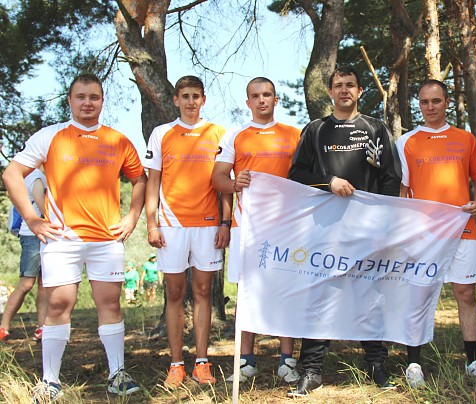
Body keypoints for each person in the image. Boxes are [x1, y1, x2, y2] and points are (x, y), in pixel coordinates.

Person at [2, 73, 146, 402]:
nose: (87, 103)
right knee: (58, 305)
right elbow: (11, 174)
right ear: (70, 101)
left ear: (102, 101)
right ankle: (50, 381)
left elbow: (140, 178)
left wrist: (132, 216)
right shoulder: (50, 136)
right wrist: (32, 219)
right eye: (80, 97)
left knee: (110, 304)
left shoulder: (118, 140)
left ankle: (117, 375)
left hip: (106, 240)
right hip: (62, 240)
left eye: (94, 97)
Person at [286, 65, 402, 396]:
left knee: (369, 297)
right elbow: (296, 174)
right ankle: (311, 370)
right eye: (338, 85)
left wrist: (383, 225)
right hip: (325, 228)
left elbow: (391, 178)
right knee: (320, 297)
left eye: (350, 85)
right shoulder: (315, 130)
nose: (344, 90)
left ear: (360, 90)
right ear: (330, 91)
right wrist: (329, 181)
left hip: (366, 229)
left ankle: (377, 366)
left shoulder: (375, 128)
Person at [396, 79, 476, 387]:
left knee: (466, 294)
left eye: (436, 101)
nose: (430, 107)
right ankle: (414, 364)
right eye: (424, 102)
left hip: (462, 228)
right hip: (424, 234)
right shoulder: (407, 142)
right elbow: (403, 190)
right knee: (419, 295)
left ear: (447, 103)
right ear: (419, 104)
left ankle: (474, 362)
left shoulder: (465, 139)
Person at [211, 77, 301, 385]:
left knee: (286, 291)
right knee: (247, 293)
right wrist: (235, 183)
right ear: (247, 101)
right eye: (255, 96)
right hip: (246, 225)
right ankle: (245, 361)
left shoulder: (294, 134)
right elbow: (218, 179)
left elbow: (306, 177)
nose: (262, 100)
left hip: (286, 226)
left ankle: (287, 361)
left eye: (267, 95)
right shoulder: (235, 135)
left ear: (276, 100)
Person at [144, 75, 231, 389]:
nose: (191, 101)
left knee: (204, 292)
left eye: (196, 96)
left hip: (208, 224)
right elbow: (152, 182)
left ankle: (202, 363)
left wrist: (225, 222)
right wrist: (151, 223)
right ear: (176, 100)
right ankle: (176, 364)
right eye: (185, 96)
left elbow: (225, 182)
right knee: (175, 293)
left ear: (203, 100)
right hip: (171, 225)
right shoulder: (161, 133)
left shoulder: (219, 133)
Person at [0, 169, 48, 342]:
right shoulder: (36, 176)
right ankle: (4, 326)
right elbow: (42, 205)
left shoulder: (44, 175)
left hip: (45, 234)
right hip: (32, 235)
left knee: (44, 283)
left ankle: (42, 327)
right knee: (26, 283)